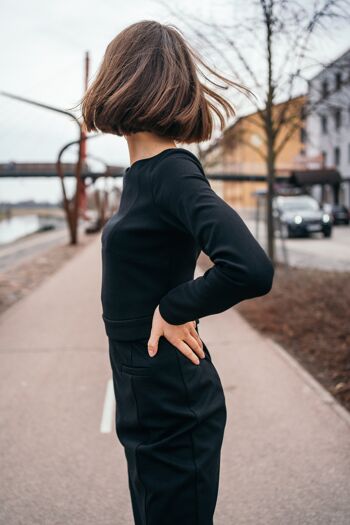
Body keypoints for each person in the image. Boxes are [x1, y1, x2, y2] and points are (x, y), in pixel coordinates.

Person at [80, 20, 274, 525]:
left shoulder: (171, 170)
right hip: (146, 397)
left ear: (123, 81)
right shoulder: (144, 175)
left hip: (172, 408)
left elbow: (250, 268)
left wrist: (174, 306)